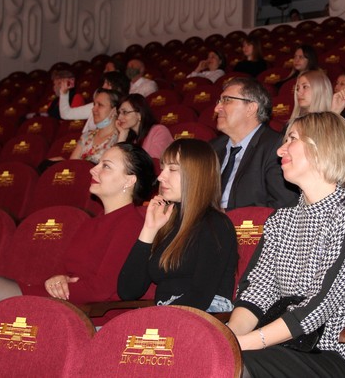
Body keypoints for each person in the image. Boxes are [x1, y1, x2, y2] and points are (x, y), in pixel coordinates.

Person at [227, 111, 345, 378]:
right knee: (216, 358)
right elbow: (258, 291)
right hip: (284, 346)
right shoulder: (282, 219)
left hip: (335, 350)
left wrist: (242, 345)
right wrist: (228, 337)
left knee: (236, 365)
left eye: (292, 139)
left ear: (322, 146)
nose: (280, 150)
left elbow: (320, 304)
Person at [0, 143, 156, 319]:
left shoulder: (131, 224)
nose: (93, 169)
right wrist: (57, 279)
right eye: (98, 163)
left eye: (105, 166)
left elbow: (101, 289)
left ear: (129, 180)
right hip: (69, 300)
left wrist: (58, 289)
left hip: (90, 312)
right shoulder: (92, 222)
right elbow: (65, 270)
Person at [118, 139, 238, 311]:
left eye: (172, 169)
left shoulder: (216, 224)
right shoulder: (167, 221)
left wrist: (159, 318)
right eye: (162, 168)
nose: (160, 177)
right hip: (169, 314)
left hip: (204, 317)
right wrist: (149, 230)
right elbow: (128, 291)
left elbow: (200, 296)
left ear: (196, 175)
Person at [210, 77, 299, 210]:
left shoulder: (277, 147)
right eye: (219, 101)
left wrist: (227, 217)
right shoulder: (212, 147)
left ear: (251, 108)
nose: (217, 108)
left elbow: (283, 205)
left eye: (227, 100)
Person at [60, 71, 131, 134]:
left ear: (118, 89)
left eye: (108, 84)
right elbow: (66, 114)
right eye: (104, 83)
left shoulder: (124, 113)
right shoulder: (94, 106)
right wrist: (64, 93)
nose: (103, 87)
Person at [68, 88, 121, 164]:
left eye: (100, 105)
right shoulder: (86, 136)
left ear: (114, 110)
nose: (93, 109)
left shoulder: (119, 139)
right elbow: (72, 165)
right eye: (94, 104)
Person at [116, 93, 174, 159]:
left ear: (139, 115)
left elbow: (152, 163)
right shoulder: (132, 138)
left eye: (125, 112)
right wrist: (123, 134)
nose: (119, 118)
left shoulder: (159, 131)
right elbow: (116, 160)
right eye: (119, 113)